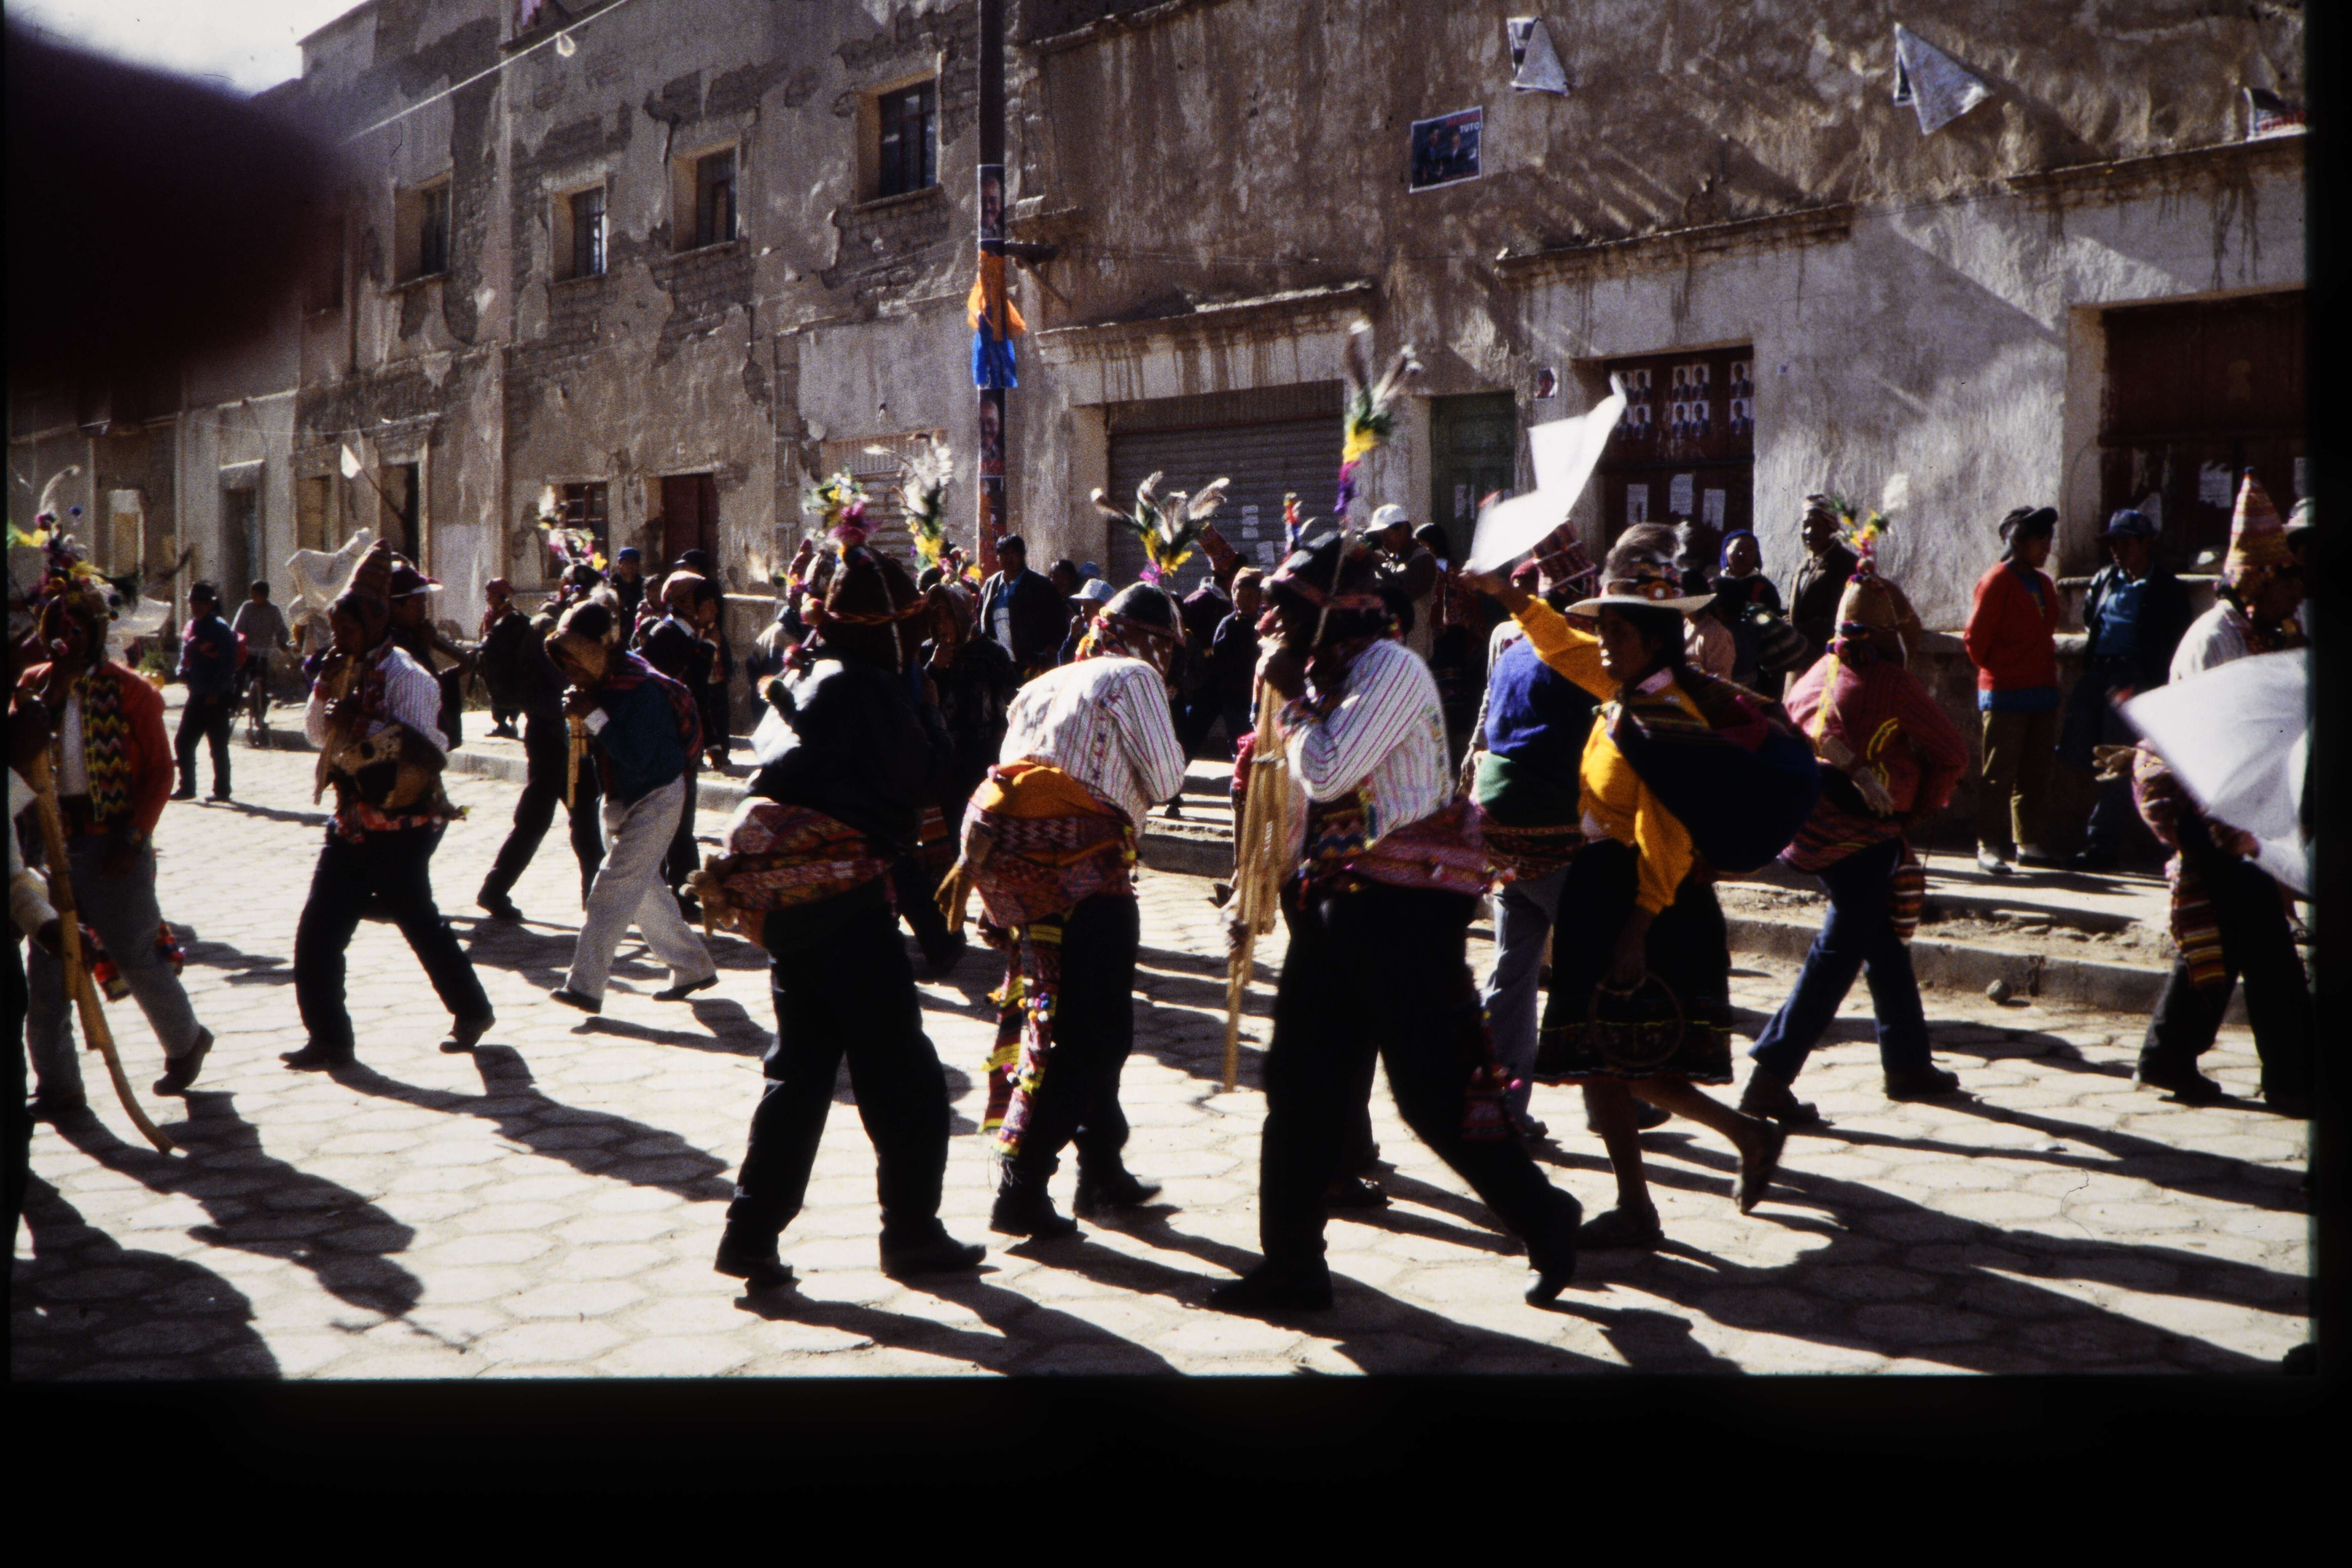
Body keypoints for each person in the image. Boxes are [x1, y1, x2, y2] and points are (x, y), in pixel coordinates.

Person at [1212, 530, 1584, 1313]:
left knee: (1433, 1095)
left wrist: (1296, 700)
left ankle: (1542, 1212)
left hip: (1407, 910)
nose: (1273, 626)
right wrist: (1254, 891)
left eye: (1289, 612)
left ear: (1334, 613)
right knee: (1300, 1087)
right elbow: (1295, 805)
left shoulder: (1390, 669)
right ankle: (1292, 1266)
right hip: (1333, 904)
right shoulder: (1323, 676)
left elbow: (1327, 769)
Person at [1468, 524, 1792, 1253]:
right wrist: (1509, 595)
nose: (1603, 640)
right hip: (1600, 886)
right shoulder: (1621, 685)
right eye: (1604, 627)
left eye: (1617, 630)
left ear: (1653, 638)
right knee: (1600, 1062)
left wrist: (1637, 929)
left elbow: (1666, 833)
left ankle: (1740, 1137)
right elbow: (1559, 646)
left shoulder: (1663, 716)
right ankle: (1639, 1204)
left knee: (1629, 1063)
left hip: (1644, 899)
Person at [707, 534, 982, 1289]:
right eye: (911, 632)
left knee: (798, 1074)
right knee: (906, 1078)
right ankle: (912, 1233)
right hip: (845, 908)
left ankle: (750, 1233)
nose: (918, 645)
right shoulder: (867, 688)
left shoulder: (805, 671)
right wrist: (928, 708)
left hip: (795, 910)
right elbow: (924, 777)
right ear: (888, 632)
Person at [947, 582, 1187, 1237]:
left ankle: (1101, 1170)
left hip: (1025, 882)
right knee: (1097, 1035)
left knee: (1075, 1021)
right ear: (1147, 641)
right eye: (1168, 647)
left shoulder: (1042, 683)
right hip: (1087, 879)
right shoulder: (1135, 676)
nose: (1169, 659)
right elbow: (1167, 779)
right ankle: (1022, 1184)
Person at [1741, 568, 1971, 1125]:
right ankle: (1770, 1077)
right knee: (1837, 954)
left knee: (1884, 944)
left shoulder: (1815, 672)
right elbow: (1953, 752)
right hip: (1861, 836)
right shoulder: (1890, 682)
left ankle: (1908, 1062)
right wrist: (1917, 808)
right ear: (1888, 633)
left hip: (1808, 829)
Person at [2132, 473, 2310, 1117]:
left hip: (2244, 802)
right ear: (2258, 581)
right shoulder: (2216, 638)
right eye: (2288, 582)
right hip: (2204, 803)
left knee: (2229, 935)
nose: (2297, 594)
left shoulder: (2272, 634)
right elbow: (2213, 741)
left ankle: (2166, 1053)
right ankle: (2293, 1078)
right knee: (2267, 944)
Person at [283, 543, 494, 1069]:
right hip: (352, 821)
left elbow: (429, 750)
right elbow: (318, 735)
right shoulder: (341, 668)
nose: (340, 638)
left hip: (402, 824)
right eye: (336, 629)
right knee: (318, 933)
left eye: (348, 629)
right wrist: (325, 692)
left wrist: (361, 722)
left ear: (376, 624)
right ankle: (330, 1038)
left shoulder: (407, 675)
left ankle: (472, 1010)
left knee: (420, 923)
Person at [16, 561, 217, 1106]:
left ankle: (186, 1042)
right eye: (59, 629)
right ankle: (59, 1086)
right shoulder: (32, 689)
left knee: (135, 952)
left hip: (113, 843)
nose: (69, 638)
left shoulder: (132, 693)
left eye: (79, 628)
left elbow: (160, 773)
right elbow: (20, 755)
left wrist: (134, 838)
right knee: (48, 969)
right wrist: (52, 690)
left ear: (99, 632)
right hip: (49, 845)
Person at [1461, 532, 1605, 1143]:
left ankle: (1501, 1106)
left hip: (1496, 828)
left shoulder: (1514, 649)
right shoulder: (1583, 655)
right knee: (1600, 965)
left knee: (1514, 967)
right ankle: (1613, 1099)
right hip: (1550, 828)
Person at [544, 601, 717, 1013]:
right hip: (620, 799)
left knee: (611, 890)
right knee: (644, 894)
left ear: (598, 650)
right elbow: (591, 752)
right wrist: (580, 719)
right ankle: (693, 967)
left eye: (575, 660)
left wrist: (594, 717)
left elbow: (638, 757)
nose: (570, 671)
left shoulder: (639, 690)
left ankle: (584, 985)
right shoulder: (601, 686)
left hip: (658, 796)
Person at [2061, 509, 2193, 871]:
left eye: (2125, 543)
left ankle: (2103, 846)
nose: (2117, 551)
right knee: (2082, 750)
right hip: (2099, 674)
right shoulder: (2105, 579)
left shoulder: (2165, 587)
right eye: (2113, 544)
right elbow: (2091, 618)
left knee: (2120, 759)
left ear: (2146, 543)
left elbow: (2175, 637)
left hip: (2135, 677)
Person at [475, 586, 606, 922]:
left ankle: (596, 903)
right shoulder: (553, 636)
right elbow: (562, 686)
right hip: (555, 738)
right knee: (547, 819)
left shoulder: (550, 630)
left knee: (581, 819)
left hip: (560, 736)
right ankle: (496, 890)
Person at [1962, 505, 2062, 874]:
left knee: (2034, 772)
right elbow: (1976, 641)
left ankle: (2028, 841)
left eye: (2049, 539)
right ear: (2018, 542)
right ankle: (1988, 844)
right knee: (1998, 774)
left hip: (2041, 691)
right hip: (2005, 693)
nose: (2047, 547)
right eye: (2039, 540)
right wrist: (2004, 668)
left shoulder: (2045, 584)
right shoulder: (1996, 581)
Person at [638, 571, 716, 905]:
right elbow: (673, 691)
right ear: (687, 603)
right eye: (707, 601)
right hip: (667, 742)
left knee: (681, 823)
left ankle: (680, 895)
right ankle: (674, 897)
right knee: (675, 824)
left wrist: (712, 742)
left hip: (684, 741)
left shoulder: (692, 638)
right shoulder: (667, 637)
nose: (714, 608)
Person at [385, 557, 470, 753]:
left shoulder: (414, 635)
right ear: (395, 606)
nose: (423, 610)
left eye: (424, 603)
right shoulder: (391, 642)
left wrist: (453, 673)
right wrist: (424, 646)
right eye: (417, 604)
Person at [171, 580, 239, 801]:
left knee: (218, 746)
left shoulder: (221, 629)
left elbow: (229, 665)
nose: (197, 606)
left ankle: (222, 790)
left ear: (211, 604)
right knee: (183, 742)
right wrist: (181, 671)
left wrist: (216, 692)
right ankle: (187, 788)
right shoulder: (192, 627)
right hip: (198, 693)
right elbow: (185, 656)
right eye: (193, 602)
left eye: (202, 602)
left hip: (216, 696)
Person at [978, 535, 1067, 679]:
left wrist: (1047, 655)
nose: (1010, 559)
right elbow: (980, 622)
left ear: (1023, 556)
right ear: (998, 557)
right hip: (998, 668)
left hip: (1033, 667)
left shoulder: (1041, 586)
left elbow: (1059, 622)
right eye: (1005, 554)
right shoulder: (990, 586)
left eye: (1015, 554)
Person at [1709, 531, 1783, 691]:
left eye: (1750, 549)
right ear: (1726, 551)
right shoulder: (1714, 585)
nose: (1743, 554)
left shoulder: (1764, 588)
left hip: (1756, 664)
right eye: (1738, 548)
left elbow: (1771, 624)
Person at [1788, 495, 1859, 659]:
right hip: (1800, 656)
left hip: (1830, 656)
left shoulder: (1847, 565)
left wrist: (1797, 631)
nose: (1809, 532)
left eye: (1818, 525)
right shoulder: (1804, 566)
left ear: (1831, 529)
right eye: (1806, 525)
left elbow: (1845, 616)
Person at [1366, 503, 1438, 660]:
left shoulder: (1423, 560)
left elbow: (1402, 595)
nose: (1384, 542)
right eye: (1380, 537)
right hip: (1392, 644)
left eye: (1386, 535)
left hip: (1414, 646)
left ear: (1404, 529)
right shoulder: (1392, 561)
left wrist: (1378, 566)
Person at [1204, 566, 1265, 753]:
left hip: (1260, 699)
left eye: (1252, 595)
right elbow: (1219, 662)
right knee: (1241, 749)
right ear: (1234, 596)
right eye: (1242, 594)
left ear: (1260, 598)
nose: (1247, 600)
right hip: (1235, 701)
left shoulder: (1265, 624)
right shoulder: (1228, 625)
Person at [231, 578, 291, 732]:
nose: (254, 598)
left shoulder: (273, 610)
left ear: (265, 596)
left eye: (257, 595)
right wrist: (237, 642)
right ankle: (234, 707)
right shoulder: (247, 608)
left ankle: (260, 716)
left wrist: (282, 641)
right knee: (238, 679)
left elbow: (282, 630)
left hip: (263, 653)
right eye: (252, 594)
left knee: (263, 685)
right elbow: (237, 629)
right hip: (247, 652)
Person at [477, 577, 530, 738]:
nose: (488, 598)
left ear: (501, 596)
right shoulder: (489, 614)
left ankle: (513, 723)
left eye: (491, 595)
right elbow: (483, 634)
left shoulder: (513, 616)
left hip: (508, 663)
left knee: (511, 691)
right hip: (492, 662)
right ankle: (501, 724)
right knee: (495, 692)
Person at [608, 546, 645, 625]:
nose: (630, 566)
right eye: (627, 563)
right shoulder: (611, 585)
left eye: (634, 563)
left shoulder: (644, 585)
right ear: (619, 565)